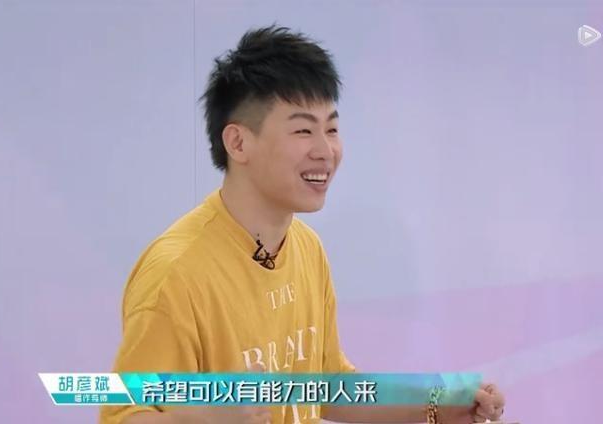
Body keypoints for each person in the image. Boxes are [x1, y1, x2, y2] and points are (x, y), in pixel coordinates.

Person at [99, 24, 505, 424]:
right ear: (238, 142)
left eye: (332, 128)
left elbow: (328, 386)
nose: (326, 150)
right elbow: (124, 415)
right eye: (303, 130)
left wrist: (438, 403)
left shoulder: (306, 248)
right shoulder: (176, 274)